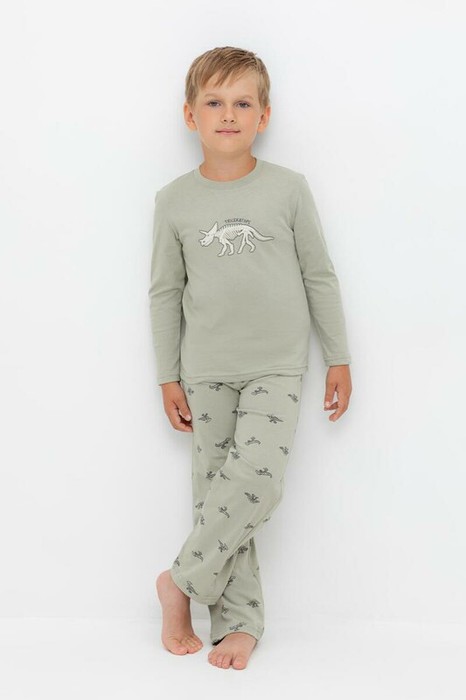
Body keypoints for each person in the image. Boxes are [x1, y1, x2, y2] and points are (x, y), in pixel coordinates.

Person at [148, 45, 353, 671]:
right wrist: (166, 375)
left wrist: (339, 355)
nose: (228, 114)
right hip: (205, 368)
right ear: (191, 115)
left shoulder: (288, 189)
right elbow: (165, 292)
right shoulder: (174, 201)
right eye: (214, 102)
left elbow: (319, 274)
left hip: (276, 365)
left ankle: (179, 581)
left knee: (257, 481)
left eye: (242, 103)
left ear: (264, 115)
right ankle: (236, 624)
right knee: (217, 494)